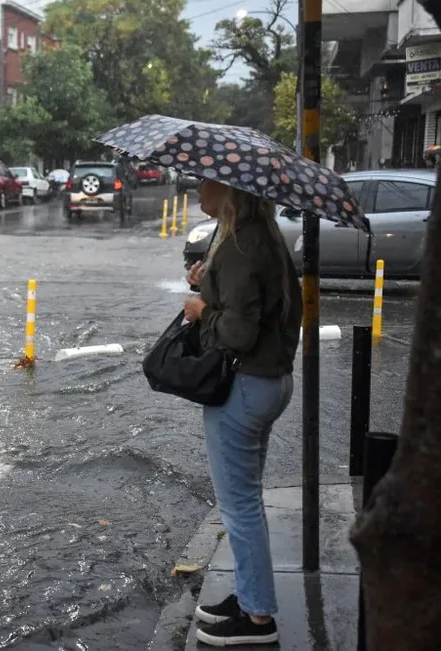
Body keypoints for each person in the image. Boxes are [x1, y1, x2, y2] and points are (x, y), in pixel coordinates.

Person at [182, 180, 303, 647]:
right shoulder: (263, 236)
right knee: (244, 502)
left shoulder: (240, 246)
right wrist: (206, 284)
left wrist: (199, 311)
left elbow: (236, 330)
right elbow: (252, 306)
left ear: (230, 190)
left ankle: (257, 619)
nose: (197, 190)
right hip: (270, 381)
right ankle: (250, 597)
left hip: (246, 385)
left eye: (204, 183)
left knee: (240, 507)